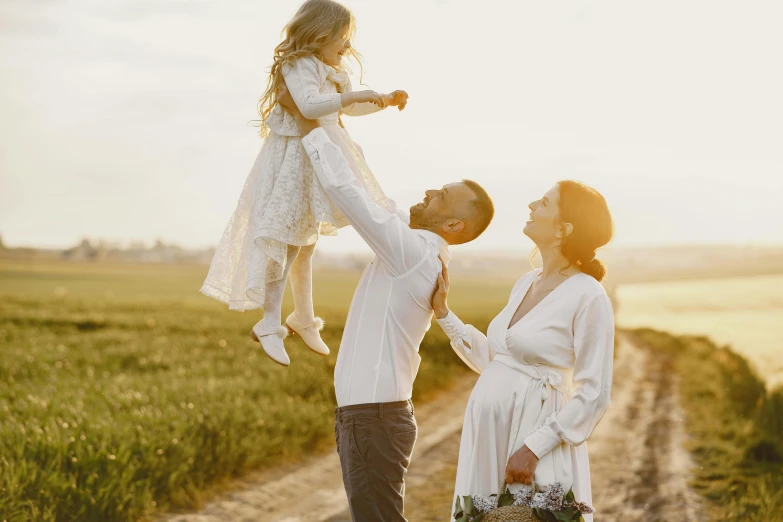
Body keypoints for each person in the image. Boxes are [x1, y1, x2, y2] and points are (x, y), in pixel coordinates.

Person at [278, 88, 494, 521]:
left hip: (373, 419)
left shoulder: (414, 252)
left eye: (442, 195)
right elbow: (372, 193)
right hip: (368, 417)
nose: (430, 189)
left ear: (454, 224)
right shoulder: (413, 248)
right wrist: (331, 123)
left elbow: (349, 195)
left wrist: (308, 129)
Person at [200, 0, 409, 367]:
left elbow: (345, 108)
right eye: (342, 39)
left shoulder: (332, 68)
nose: (347, 47)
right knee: (287, 240)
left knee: (306, 241)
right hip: (294, 159)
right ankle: (268, 322)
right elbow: (310, 106)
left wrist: (383, 101)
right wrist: (354, 94)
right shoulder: (299, 65)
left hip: (318, 156)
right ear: (320, 34)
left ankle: (303, 317)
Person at [431, 181, 615, 522]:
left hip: (531, 440)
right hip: (489, 439)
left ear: (564, 228)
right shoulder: (526, 282)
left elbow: (595, 394)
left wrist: (533, 448)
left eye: (544, 203)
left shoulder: (589, 295)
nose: (531, 205)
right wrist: (444, 314)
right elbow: (498, 361)